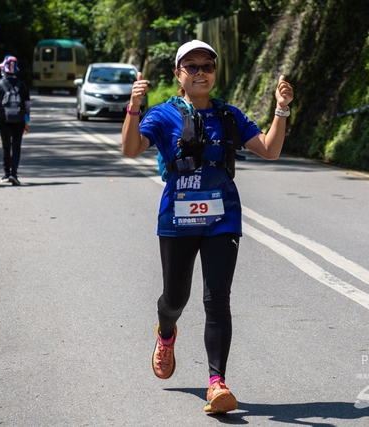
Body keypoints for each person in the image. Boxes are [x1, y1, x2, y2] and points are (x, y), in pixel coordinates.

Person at [121, 40, 294, 414]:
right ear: (178, 74)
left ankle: (217, 384)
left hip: (222, 219)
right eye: (192, 66)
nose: (201, 72)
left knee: (217, 299)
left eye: (208, 66)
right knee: (175, 299)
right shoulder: (164, 114)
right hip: (177, 220)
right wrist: (134, 108)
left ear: (215, 72)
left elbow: (269, 149)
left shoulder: (229, 116)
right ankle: (166, 334)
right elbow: (132, 149)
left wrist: (281, 109)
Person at [0, 55, 30, 186]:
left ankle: (6, 174)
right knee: (16, 146)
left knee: (6, 146)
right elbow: (27, 105)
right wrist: (26, 121)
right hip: (19, 119)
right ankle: (14, 173)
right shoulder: (22, 85)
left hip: (4, 119)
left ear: (4, 69)